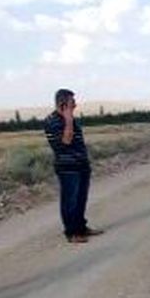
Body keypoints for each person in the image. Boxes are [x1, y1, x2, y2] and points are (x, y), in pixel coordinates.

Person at [43, 88, 102, 243]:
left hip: (81, 165)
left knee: (81, 198)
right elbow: (66, 141)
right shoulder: (52, 121)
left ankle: (81, 227)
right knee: (70, 200)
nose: (75, 105)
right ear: (62, 104)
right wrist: (68, 119)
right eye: (72, 102)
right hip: (68, 168)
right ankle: (72, 233)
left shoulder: (73, 119)